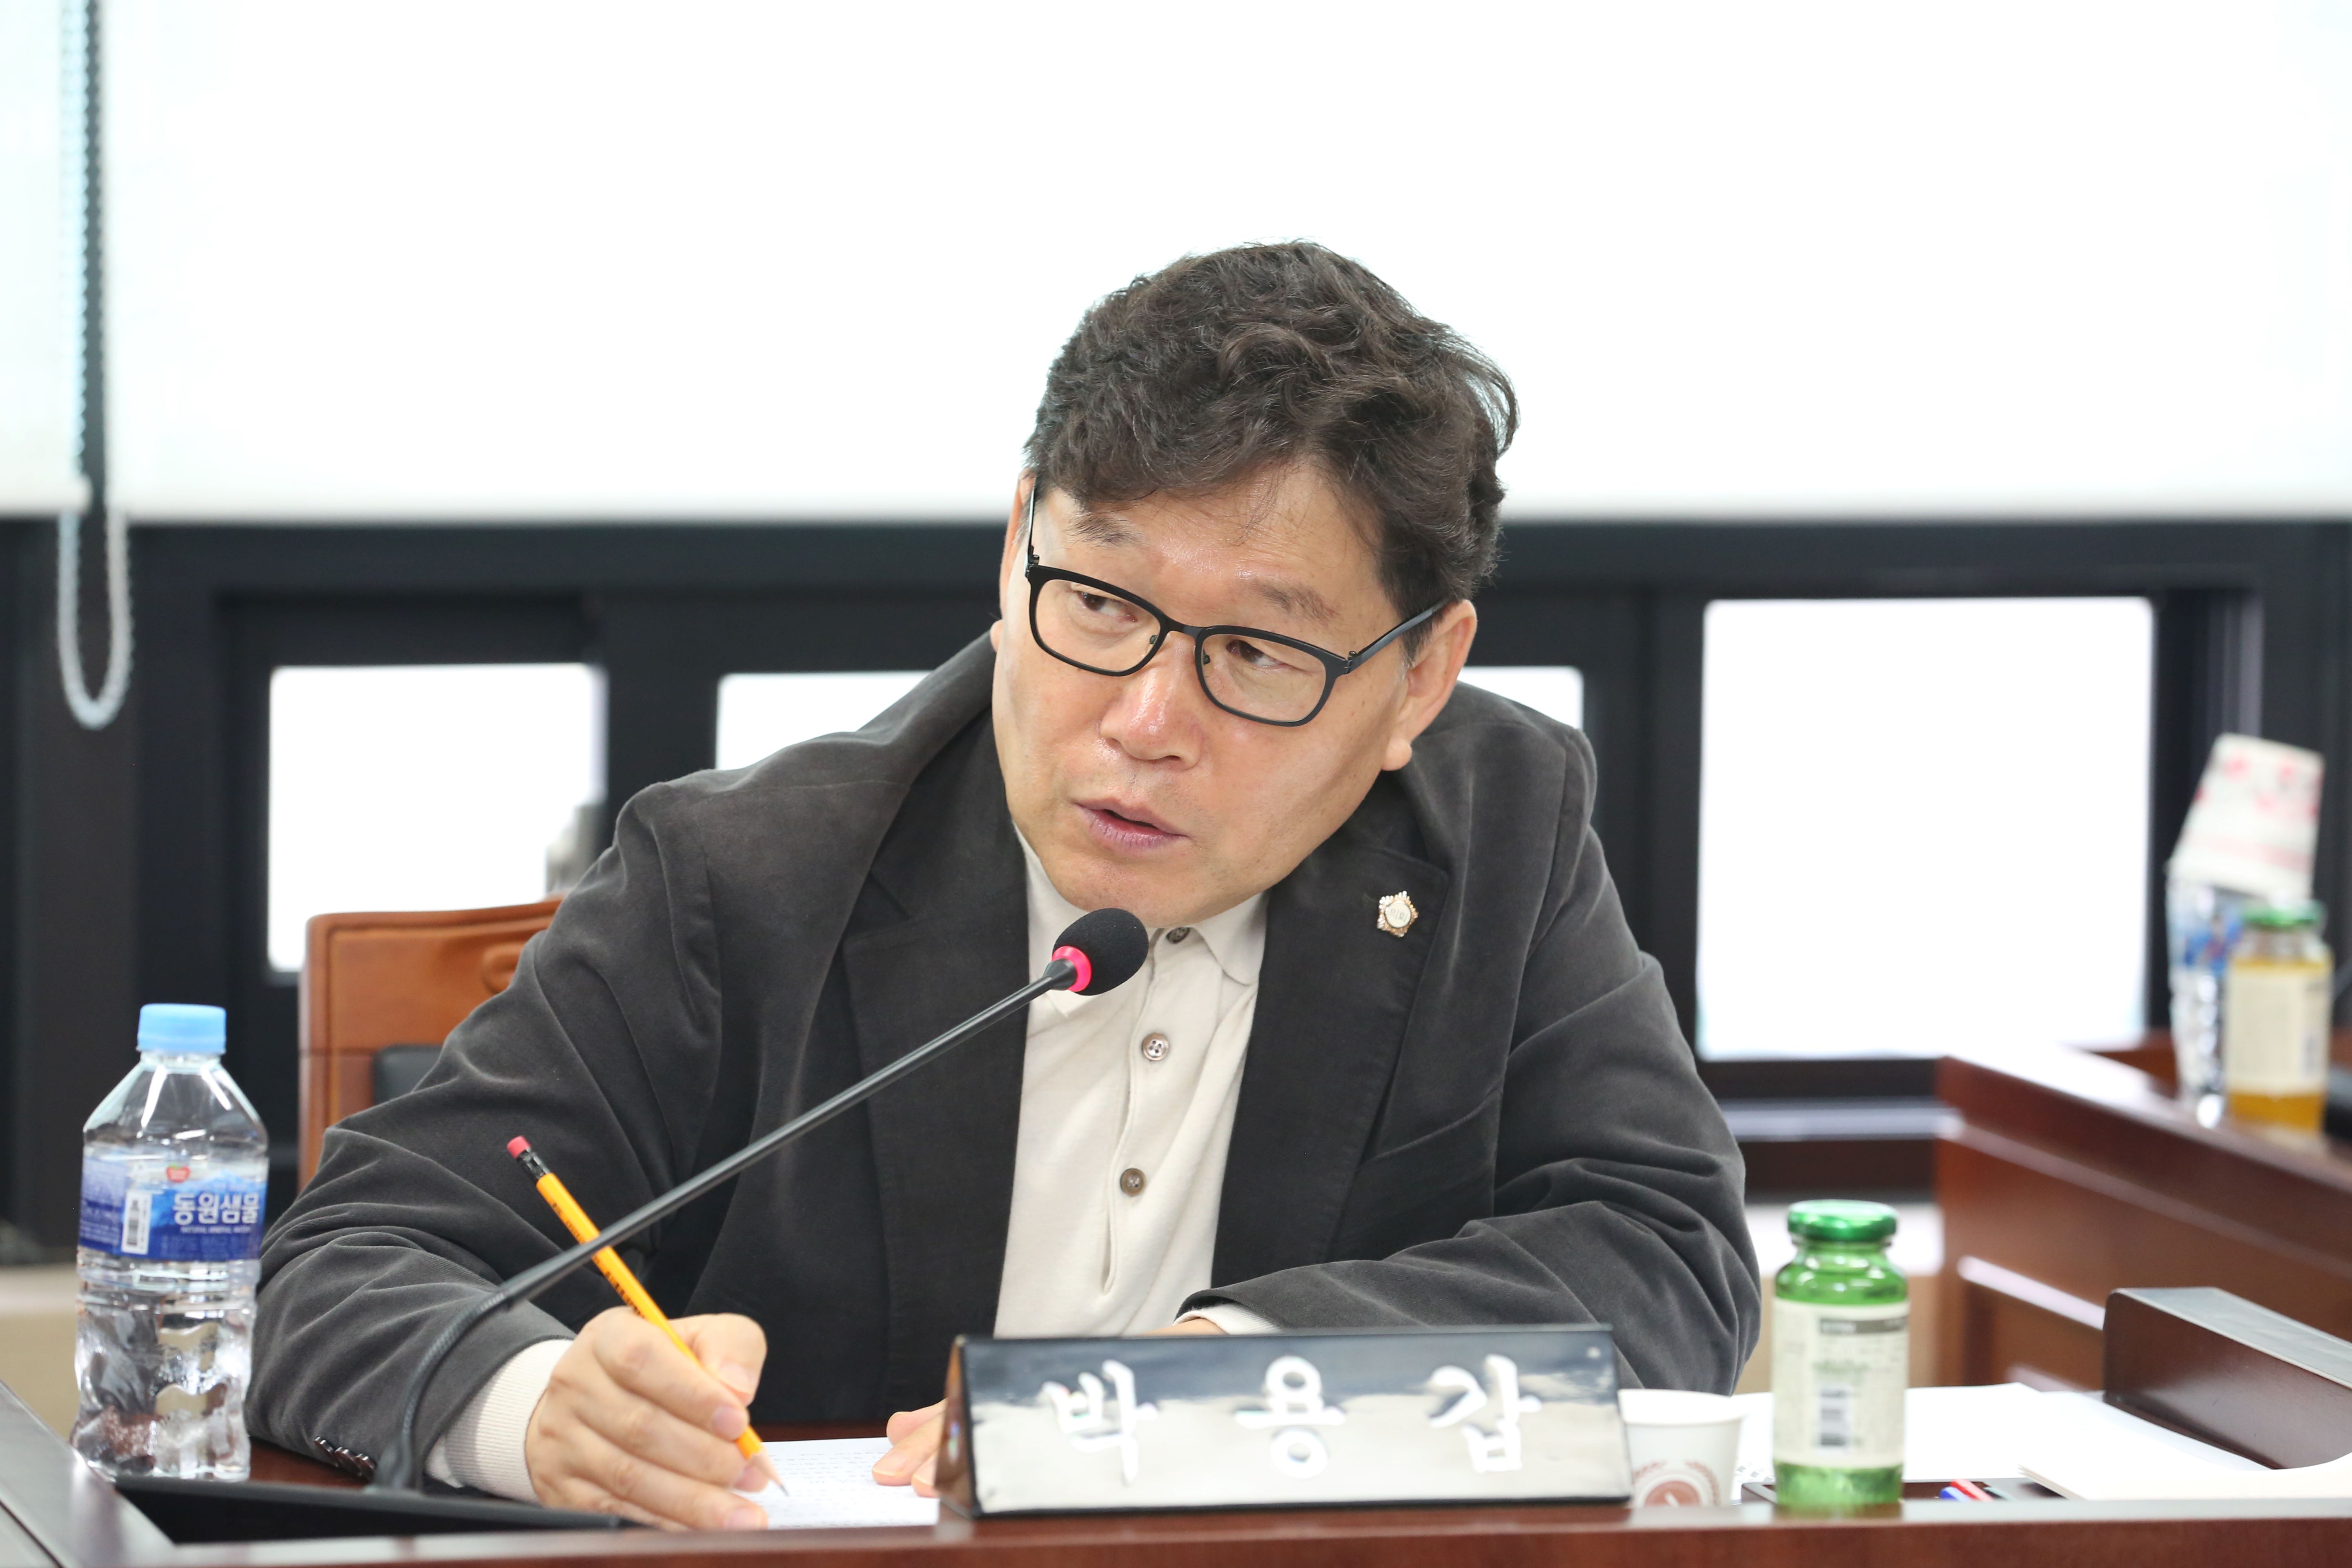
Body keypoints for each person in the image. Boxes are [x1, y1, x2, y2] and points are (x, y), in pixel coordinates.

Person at [249, 242, 1760, 1529]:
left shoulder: (1497, 829)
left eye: (1256, 652)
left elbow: (1667, 1254)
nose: (1145, 722)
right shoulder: (747, 877)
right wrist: (534, 1408)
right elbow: (342, 1266)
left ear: (1420, 676)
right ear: (1016, 544)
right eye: (1096, 600)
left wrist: (1229, 1376)